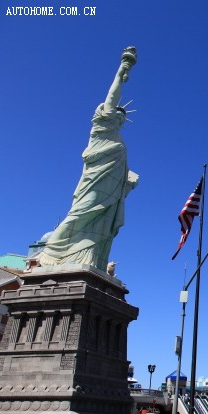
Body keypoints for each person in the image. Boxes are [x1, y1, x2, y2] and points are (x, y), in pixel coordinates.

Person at [37, 47, 139, 272]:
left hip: (111, 192)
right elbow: (112, 97)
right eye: (117, 115)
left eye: (122, 119)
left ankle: (93, 260)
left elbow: (121, 176)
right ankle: (51, 251)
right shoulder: (101, 130)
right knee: (81, 213)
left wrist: (127, 183)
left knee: (103, 224)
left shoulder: (119, 140)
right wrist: (124, 68)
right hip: (94, 183)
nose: (119, 119)